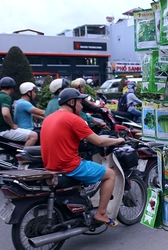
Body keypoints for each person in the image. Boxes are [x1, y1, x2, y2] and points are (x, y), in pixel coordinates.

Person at [40, 88, 126, 227]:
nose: (82, 106)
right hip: (69, 166)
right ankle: (102, 213)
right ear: (72, 102)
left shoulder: (50, 117)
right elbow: (99, 141)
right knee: (110, 174)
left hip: (51, 165)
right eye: (80, 103)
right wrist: (118, 141)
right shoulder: (73, 119)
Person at [0, 77, 39, 146]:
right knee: (34, 136)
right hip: (5, 130)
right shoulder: (6, 97)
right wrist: (12, 125)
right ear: (12, 88)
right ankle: (23, 156)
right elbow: (5, 113)